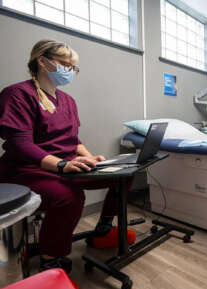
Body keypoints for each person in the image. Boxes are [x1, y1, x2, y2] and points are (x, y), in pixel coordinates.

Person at [0, 40, 121, 272]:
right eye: (64, 64)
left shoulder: (68, 101)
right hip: (26, 169)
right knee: (68, 196)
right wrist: (61, 164)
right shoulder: (17, 94)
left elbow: (73, 140)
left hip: (66, 165)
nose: (69, 71)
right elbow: (20, 143)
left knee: (121, 176)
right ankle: (50, 259)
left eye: (72, 67)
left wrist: (93, 158)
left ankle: (103, 229)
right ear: (42, 62)